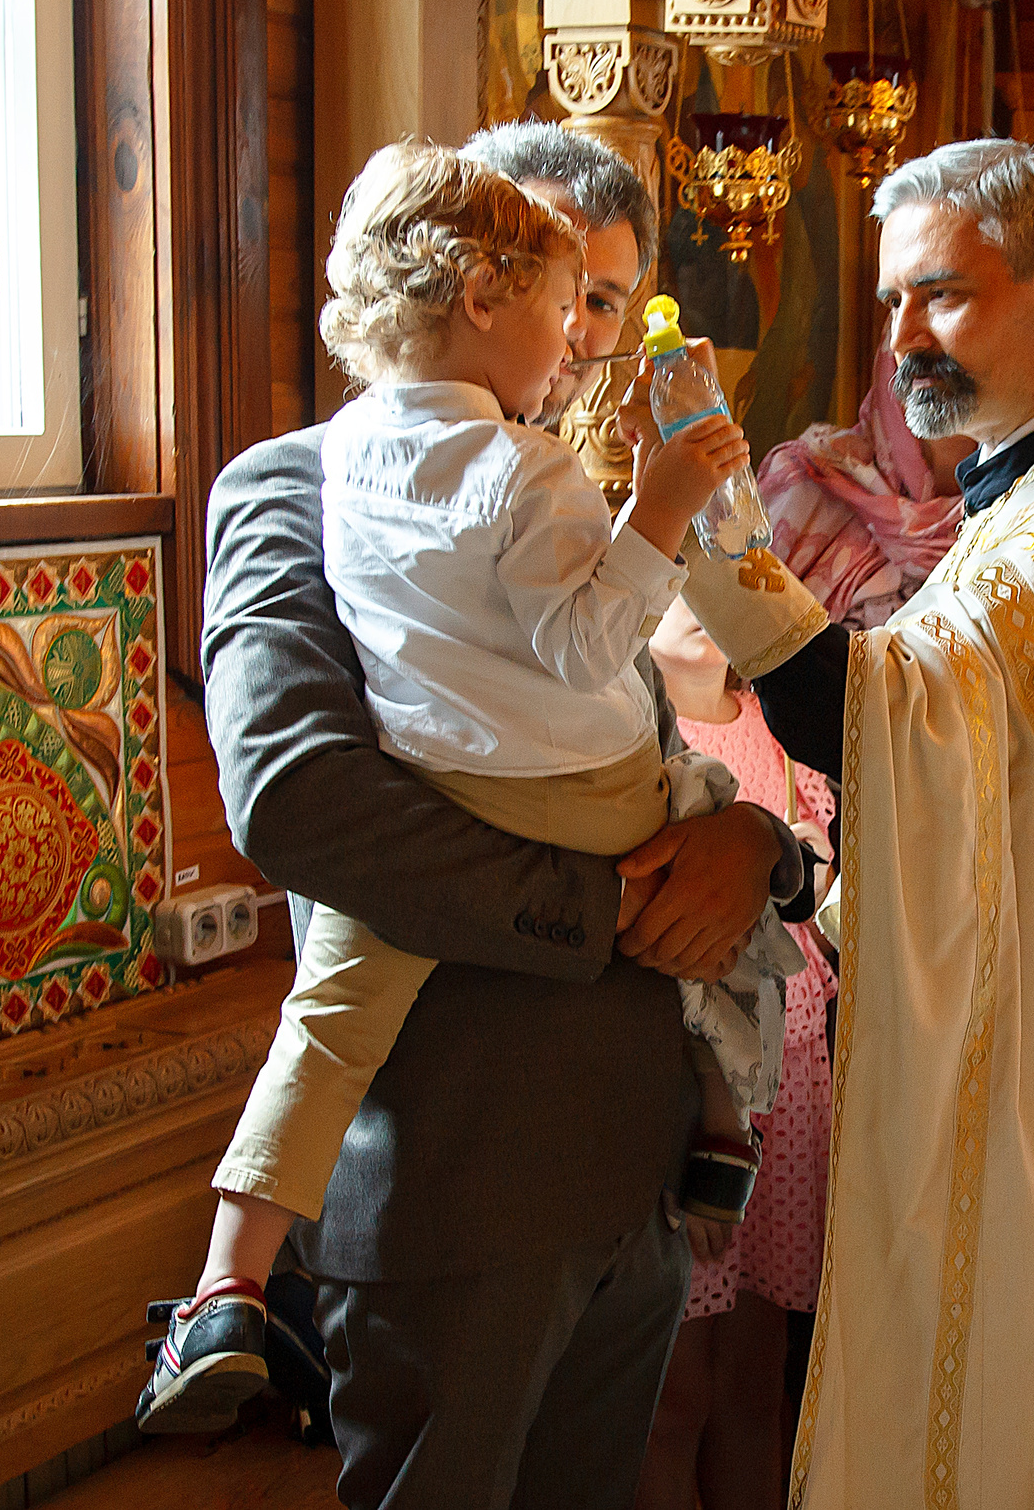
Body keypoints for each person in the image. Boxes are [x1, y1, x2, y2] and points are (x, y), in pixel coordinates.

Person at [188, 121, 812, 1510]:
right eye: (572, 297)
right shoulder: (297, 485)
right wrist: (614, 909)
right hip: (460, 1169)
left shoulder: (562, 496)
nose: (591, 345)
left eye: (612, 304)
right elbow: (297, 800)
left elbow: (639, 731)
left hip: (634, 1161)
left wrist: (753, 850)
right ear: (474, 279)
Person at [649, 139, 1034, 1507]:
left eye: (939, 295)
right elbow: (977, 783)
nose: (902, 337)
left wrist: (701, 523)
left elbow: (889, 726)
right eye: (889, 304)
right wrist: (823, 894)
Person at [635, 597, 839, 1510]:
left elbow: (826, 901)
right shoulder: (637, 742)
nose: (702, 600)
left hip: (792, 1097)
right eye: (677, 574)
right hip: (690, 1094)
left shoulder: (783, 736)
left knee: (760, 1382)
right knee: (674, 1394)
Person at [756, 349, 971, 631]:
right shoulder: (805, 481)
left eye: (942, 301)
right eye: (895, 304)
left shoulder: (1026, 511)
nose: (905, 334)